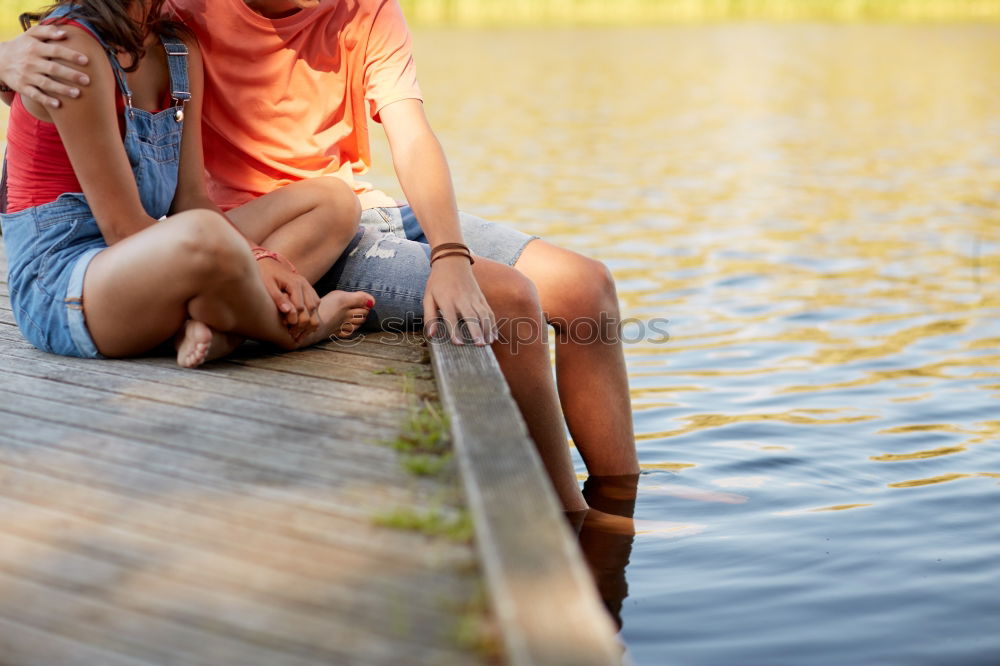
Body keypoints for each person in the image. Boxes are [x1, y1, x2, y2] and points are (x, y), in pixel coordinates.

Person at [0, 0, 641, 516]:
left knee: (587, 288)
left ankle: (619, 500)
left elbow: (411, 134)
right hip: (204, 244)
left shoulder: (342, 14)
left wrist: (449, 252)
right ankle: (567, 521)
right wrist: (8, 54)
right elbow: (80, 71)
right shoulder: (183, 14)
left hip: (330, 212)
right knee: (506, 297)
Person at [0, 0, 374, 370]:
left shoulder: (176, 48)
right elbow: (123, 228)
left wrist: (262, 256)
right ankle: (289, 330)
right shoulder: (71, 47)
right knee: (205, 234)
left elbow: (192, 199)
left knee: (333, 200)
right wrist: (257, 260)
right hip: (64, 288)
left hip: (152, 256)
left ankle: (216, 325)